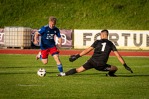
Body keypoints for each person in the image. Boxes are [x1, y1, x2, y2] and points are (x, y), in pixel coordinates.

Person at [58, 29, 133, 77]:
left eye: (100, 34)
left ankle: (63, 74)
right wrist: (125, 65)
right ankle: (110, 74)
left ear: (103, 35)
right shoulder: (110, 44)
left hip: (91, 62)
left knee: (78, 70)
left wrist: (77, 56)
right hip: (101, 65)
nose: (100, 36)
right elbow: (118, 56)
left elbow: (87, 50)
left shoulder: (97, 42)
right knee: (115, 68)